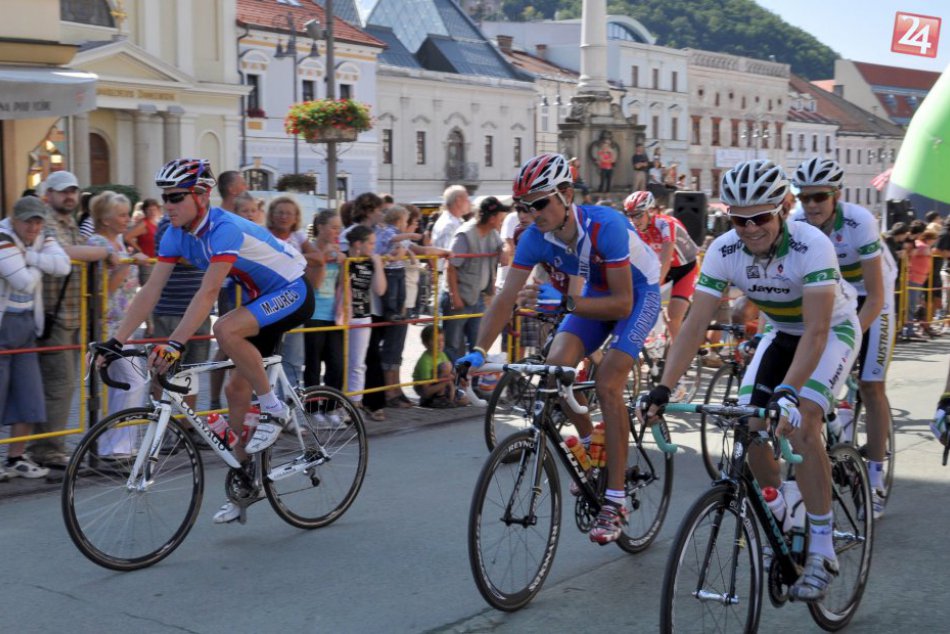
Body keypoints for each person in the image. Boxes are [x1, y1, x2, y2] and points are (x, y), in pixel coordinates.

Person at [643, 159, 860, 601]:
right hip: (781, 333)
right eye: (738, 219)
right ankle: (780, 512)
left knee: (803, 423)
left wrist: (788, 392)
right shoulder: (724, 250)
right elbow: (693, 325)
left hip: (831, 332)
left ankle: (822, 547)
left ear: (782, 208)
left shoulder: (811, 244)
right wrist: (663, 388)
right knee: (749, 425)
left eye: (760, 217)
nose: (749, 229)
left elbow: (817, 332)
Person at [93, 158, 313, 525]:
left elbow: (208, 291)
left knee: (225, 329)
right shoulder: (175, 233)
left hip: (293, 290)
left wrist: (175, 344)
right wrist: (116, 340)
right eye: (164, 197)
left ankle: (275, 407)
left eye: (176, 197)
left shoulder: (223, 228)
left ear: (201, 195)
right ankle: (245, 482)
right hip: (261, 297)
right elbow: (151, 289)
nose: (168, 205)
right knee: (234, 391)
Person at [456, 153, 661, 544]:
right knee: (554, 369)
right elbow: (505, 299)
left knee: (608, 382)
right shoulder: (534, 238)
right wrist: (478, 351)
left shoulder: (607, 226)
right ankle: (590, 447)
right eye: (522, 206)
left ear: (566, 194)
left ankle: (614, 501)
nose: (530, 213)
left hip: (637, 294)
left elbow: (620, 304)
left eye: (538, 203)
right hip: (596, 296)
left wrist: (568, 303)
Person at [791, 157, 898, 517]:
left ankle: (875, 476)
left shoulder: (859, 221)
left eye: (818, 197)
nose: (810, 205)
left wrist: (850, 341)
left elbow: (877, 296)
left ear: (836, 195)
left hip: (872, 296)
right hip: (833, 296)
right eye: (803, 197)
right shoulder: (795, 223)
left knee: (871, 385)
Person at [28, 171, 112, 469]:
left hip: (73, 313)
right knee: (58, 383)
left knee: (61, 383)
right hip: (54, 314)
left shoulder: (69, 222)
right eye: (63, 191)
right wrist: (104, 251)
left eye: (74, 191)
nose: (69, 196)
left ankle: (49, 444)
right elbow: (64, 253)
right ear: (48, 194)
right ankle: (48, 450)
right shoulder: (45, 221)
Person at [0, 197, 70, 480]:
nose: (34, 226)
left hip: (28, 325)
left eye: (38, 221)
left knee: (29, 394)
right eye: (28, 220)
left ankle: (15, 458)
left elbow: (63, 266)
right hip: (4, 324)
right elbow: (23, 282)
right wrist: (41, 261)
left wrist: (28, 257)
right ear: (14, 219)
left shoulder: (36, 239)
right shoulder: (3, 238)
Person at [87, 191, 153, 456]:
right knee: (133, 380)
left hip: (124, 323)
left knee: (128, 383)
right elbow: (105, 290)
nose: (127, 219)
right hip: (110, 324)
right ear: (105, 218)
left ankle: (114, 444)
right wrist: (128, 264)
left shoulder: (119, 244)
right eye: (122, 215)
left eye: (127, 214)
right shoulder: (98, 243)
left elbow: (132, 290)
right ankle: (116, 445)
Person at [624, 190, 699, 343]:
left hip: (685, 269)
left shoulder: (666, 223)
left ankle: (679, 356)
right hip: (664, 268)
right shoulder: (636, 230)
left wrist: (653, 288)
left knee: (673, 316)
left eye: (637, 215)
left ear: (650, 211)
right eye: (630, 215)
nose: (634, 220)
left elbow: (665, 259)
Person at [441, 196, 506, 363]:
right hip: (460, 297)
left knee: (477, 344)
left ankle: (472, 383)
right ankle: (454, 384)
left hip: (478, 296)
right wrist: (454, 297)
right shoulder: (465, 234)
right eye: (500, 218)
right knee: (453, 344)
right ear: (491, 218)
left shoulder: (492, 233)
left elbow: (502, 249)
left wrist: (504, 250)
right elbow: (451, 266)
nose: (501, 222)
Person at [265, 196, 313, 390]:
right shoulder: (264, 234)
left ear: (296, 218)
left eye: (289, 213)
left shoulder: (299, 237)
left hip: (294, 299)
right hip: (268, 301)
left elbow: (317, 256)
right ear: (272, 215)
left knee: (293, 356)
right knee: (267, 356)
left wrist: (292, 255)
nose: (284, 217)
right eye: (280, 212)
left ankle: (291, 404)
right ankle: (265, 401)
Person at [342, 225, 386, 421]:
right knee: (339, 362)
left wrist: (377, 265)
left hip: (362, 314)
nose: (374, 247)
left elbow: (380, 289)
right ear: (358, 244)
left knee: (358, 363)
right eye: (371, 243)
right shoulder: (344, 257)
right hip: (342, 314)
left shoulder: (370, 261)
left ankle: (354, 403)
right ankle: (336, 403)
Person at [303, 211, 344, 392]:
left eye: (339, 228)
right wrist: (323, 260)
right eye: (333, 227)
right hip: (314, 313)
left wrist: (344, 264)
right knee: (313, 364)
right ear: (320, 227)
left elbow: (341, 285)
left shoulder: (337, 250)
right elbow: (315, 285)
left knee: (336, 364)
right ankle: (311, 409)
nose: (337, 232)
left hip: (334, 314)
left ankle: (332, 406)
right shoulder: (310, 251)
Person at [412, 324, 464, 408]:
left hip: (440, 383)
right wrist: (446, 382)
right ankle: (438, 398)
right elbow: (426, 390)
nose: (440, 344)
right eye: (437, 341)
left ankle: (445, 398)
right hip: (425, 388)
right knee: (446, 366)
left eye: (442, 341)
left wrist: (452, 382)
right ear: (426, 344)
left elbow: (450, 376)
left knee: (465, 400)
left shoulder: (442, 354)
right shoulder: (425, 361)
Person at [124, 197, 161, 285]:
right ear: (144, 211)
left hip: (156, 262)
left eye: (154, 209)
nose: (152, 212)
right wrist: (140, 250)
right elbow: (127, 237)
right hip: (147, 263)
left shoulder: (156, 222)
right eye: (149, 210)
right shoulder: (144, 223)